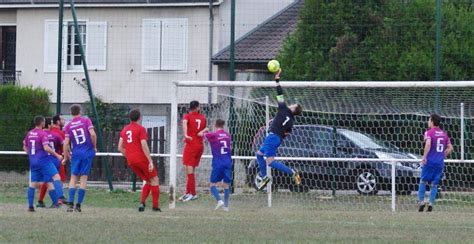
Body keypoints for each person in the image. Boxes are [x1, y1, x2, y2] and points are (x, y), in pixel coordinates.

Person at [255, 69, 303, 191]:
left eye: (293, 105)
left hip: (272, 137)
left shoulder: (283, 109)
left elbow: (279, 94)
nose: (291, 104)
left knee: (270, 161)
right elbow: (287, 133)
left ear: (293, 109)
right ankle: (265, 176)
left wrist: (277, 80)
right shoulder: (292, 121)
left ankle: (292, 172)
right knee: (259, 155)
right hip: (277, 138)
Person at [118, 109, 161, 212]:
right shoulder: (141, 129)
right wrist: (150, 160)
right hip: (141, 158)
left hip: (131, 160)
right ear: (140, 117)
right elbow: (144, 144)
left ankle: (142, 203)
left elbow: (120, 148)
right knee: (155, 180)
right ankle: (155, 207)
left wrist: (129, 156)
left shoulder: (124, 130)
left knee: (148, 180)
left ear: (129, 118)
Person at [23, 116, 64, 211]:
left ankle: (30, 206)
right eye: (44, 122)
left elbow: (24, 146)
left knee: (34, 184)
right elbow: (46, 148)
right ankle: (61, 197)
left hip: (33, 162)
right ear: (42, 123)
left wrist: (31, 155)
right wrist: (57, 155)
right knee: (56, 177)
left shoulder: (30, 133)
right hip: (43, 161)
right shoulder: (42, 133)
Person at [63, 104, 97, 212]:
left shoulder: (68, 126)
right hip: (87, 153)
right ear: (80, 111)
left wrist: (65, 156)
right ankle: (78, 205)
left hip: (76, 154)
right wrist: (94, 146)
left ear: (71, 113)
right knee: (83, 178)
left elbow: (66, 143)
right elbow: (93, 135)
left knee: (73, 178)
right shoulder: (86, 121)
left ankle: (70, 205)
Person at [418, 114, 453, 212]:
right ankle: (430, 203)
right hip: (439, 162)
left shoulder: (428, 132)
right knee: (434, 184)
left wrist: (424, 157)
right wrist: (442, 155)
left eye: (429, 120)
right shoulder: (444, 134)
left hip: (429, 161)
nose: (428, 122)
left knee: (423, 181)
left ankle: (421, 202)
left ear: (432, 121)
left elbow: (428, 144)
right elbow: (450, 148)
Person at [198, 119, 232, 211]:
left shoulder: (213, 135)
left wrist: (205, 130)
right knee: (226, 185)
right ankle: (226, 207)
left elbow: (200, 135)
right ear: (223, 126)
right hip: (228, 162)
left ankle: (219, 201)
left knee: (212, 184)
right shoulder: (227, 135)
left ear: (215, 125)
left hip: (218, 163)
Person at [180, 101, 207, 202]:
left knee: (189, 171)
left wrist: (186, 135)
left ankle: (193, 194)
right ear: (197, 107)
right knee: (191, 171)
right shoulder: (203, 118)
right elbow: (203, 130)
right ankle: (188, 192)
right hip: (200, 146)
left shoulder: (188, 116)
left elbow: (184, 123)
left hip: (191, 146)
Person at [36, 117, 67, 207]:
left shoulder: (38, 134)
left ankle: (53, 201)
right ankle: (59, 199)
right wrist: (65, 156)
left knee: (48, 181)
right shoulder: (57, 134)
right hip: (56, 159)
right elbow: (64, 145)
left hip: (44, 160)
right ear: (50, 125)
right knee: (57, 179)